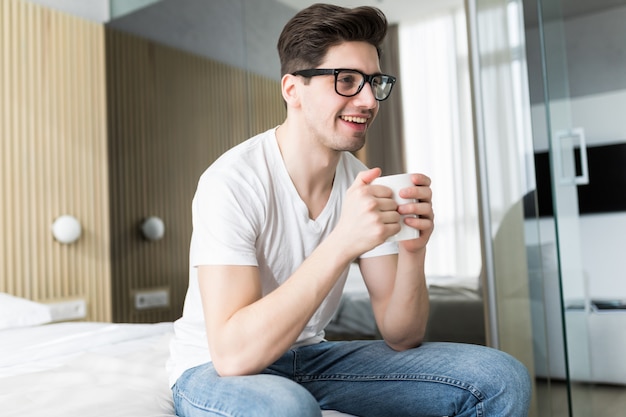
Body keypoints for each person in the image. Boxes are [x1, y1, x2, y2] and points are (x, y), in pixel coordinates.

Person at [167, 4, 531, 417]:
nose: (368, 99)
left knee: (500, 378)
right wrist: (343, 240)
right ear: (292, 89)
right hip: (214, 369)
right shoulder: (233, 180)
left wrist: (413, 249)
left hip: (310, 360)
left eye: (374, 82)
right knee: (286, 407)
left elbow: (402, 335)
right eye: (346, 81)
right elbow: (234, 356)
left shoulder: (361, 183)